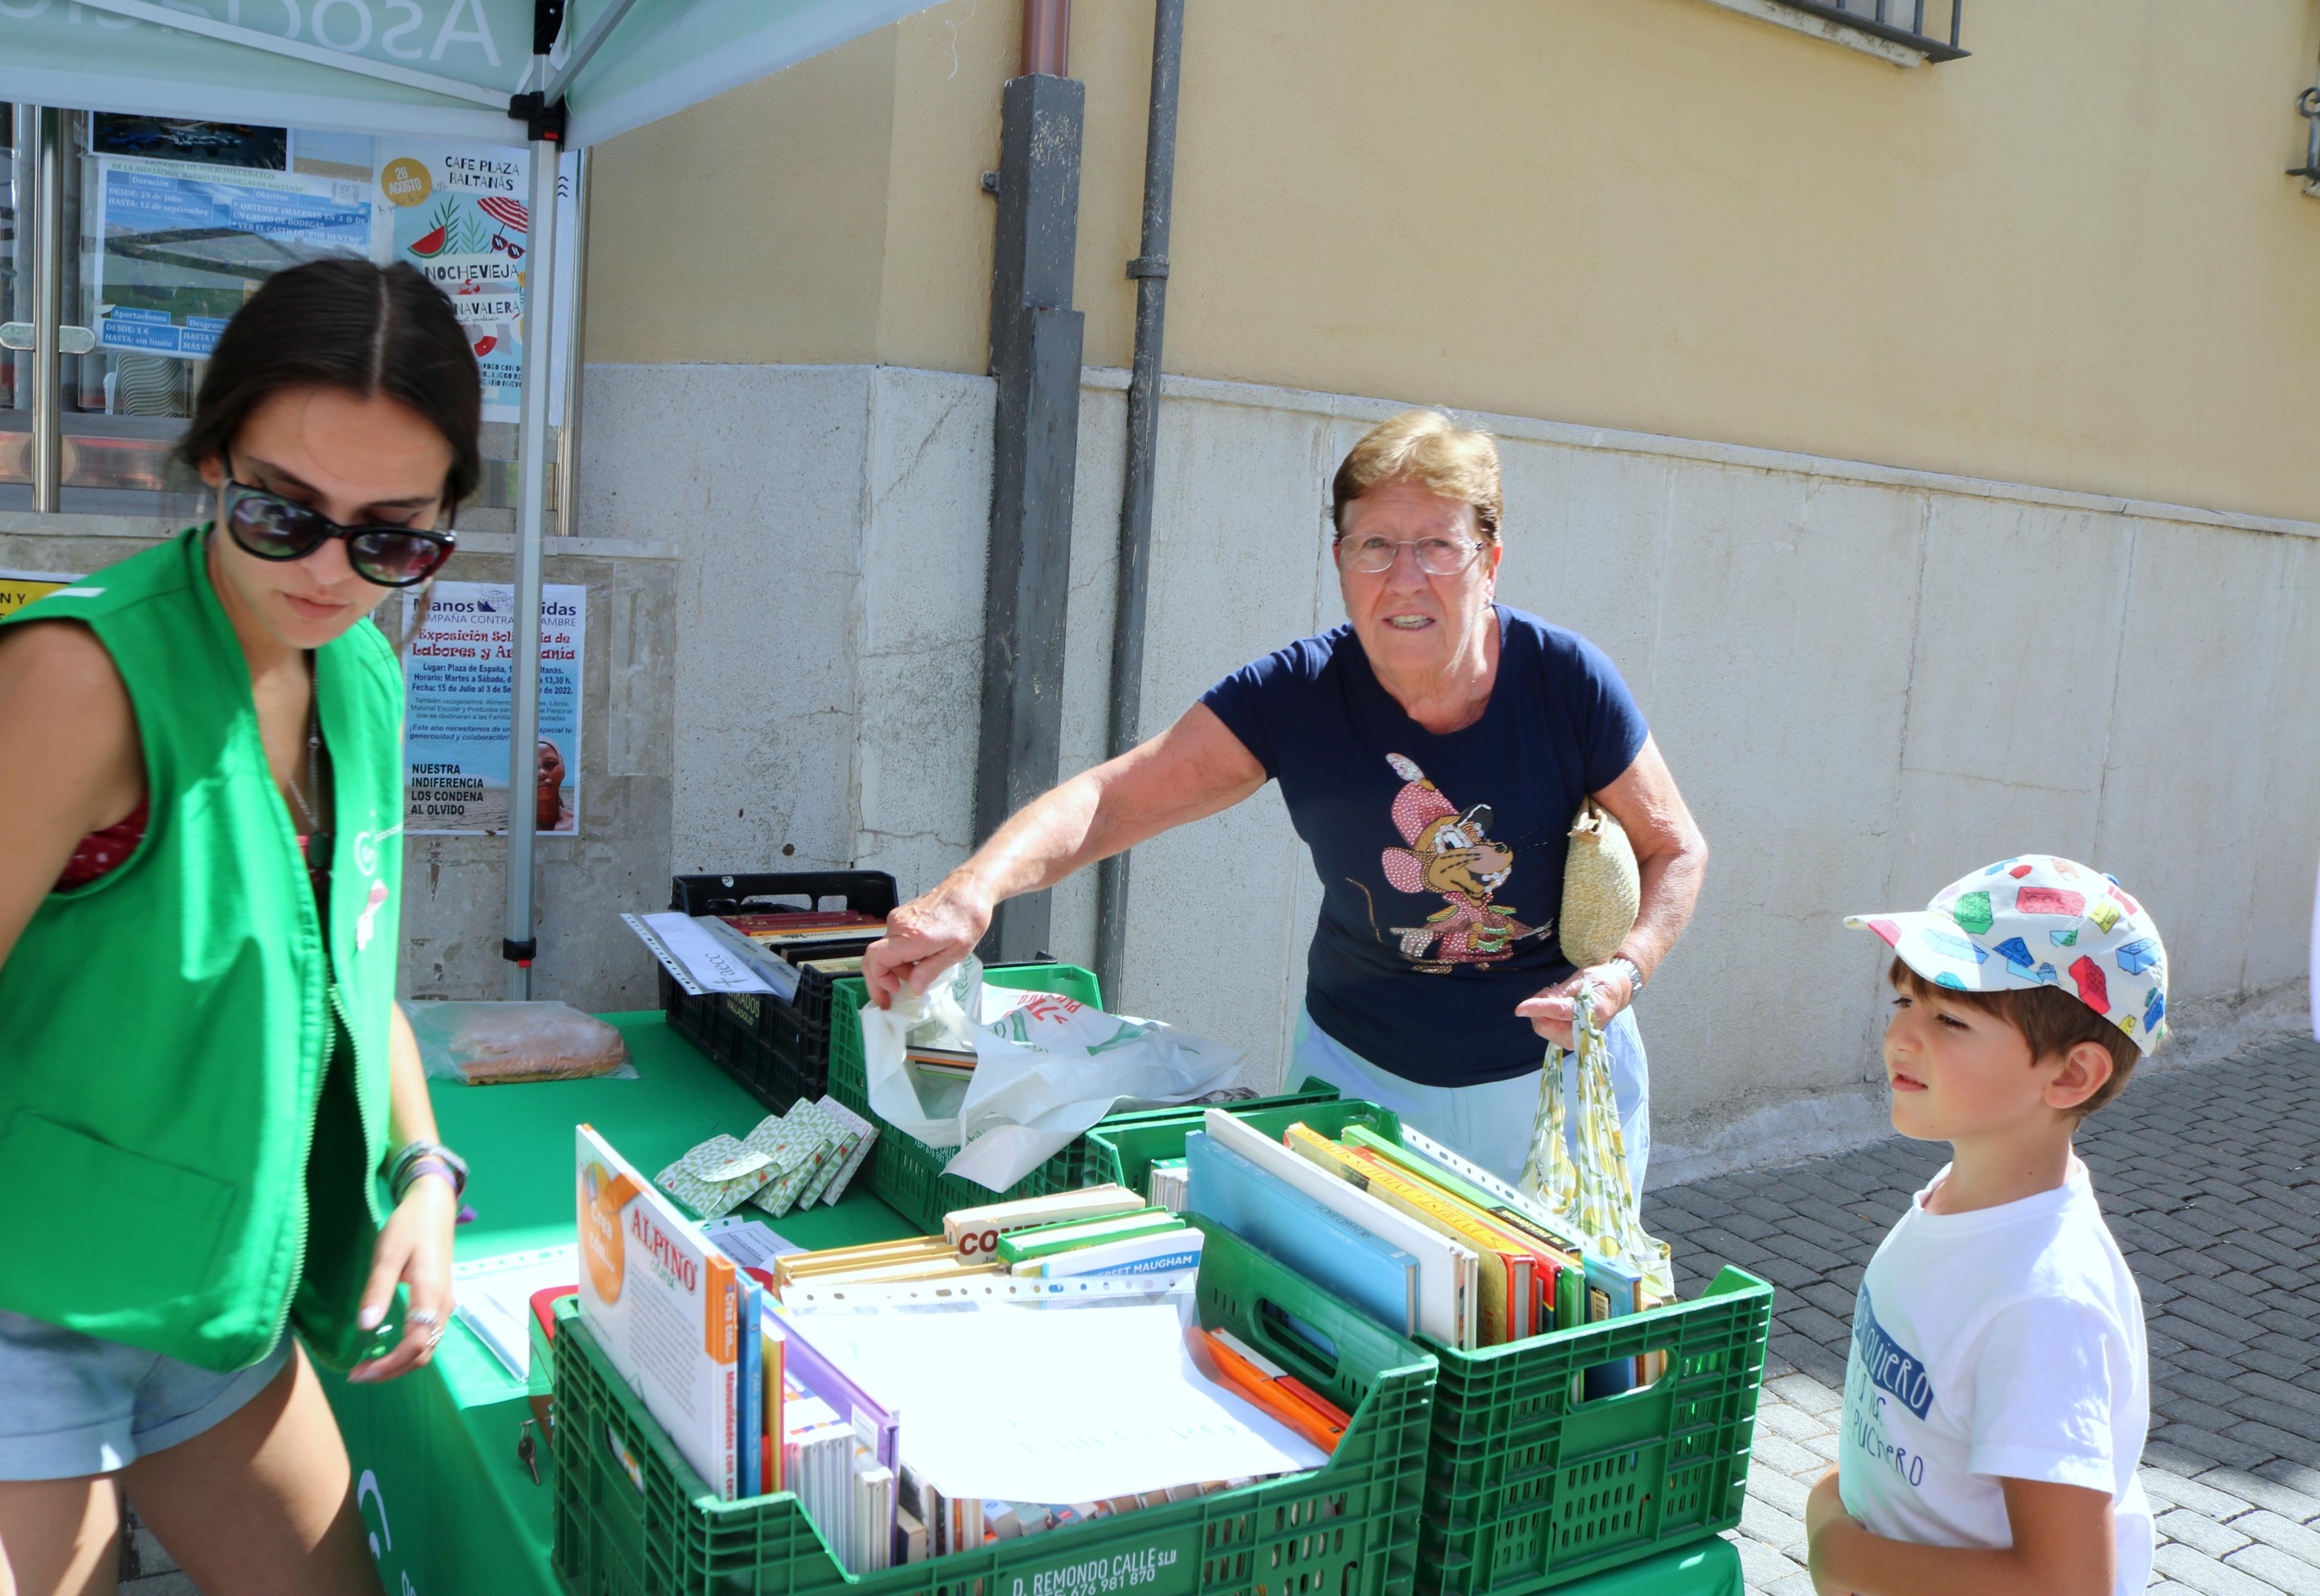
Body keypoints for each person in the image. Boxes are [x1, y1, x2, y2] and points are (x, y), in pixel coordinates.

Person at [0, 258, 474, 1596]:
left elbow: (345, 969)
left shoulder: (357, 671)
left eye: (390, 538)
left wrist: (426, 1168)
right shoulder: (73, 689)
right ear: (210, 466)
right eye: (281, 513)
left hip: (212, 1300)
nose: (329, 569)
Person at [866, 410, 1707, 1188]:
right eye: (1373, 544)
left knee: (1568, 1333)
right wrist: (967, 893)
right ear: (1339, 562)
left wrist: (1620, 972)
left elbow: (1673, 846)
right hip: (1362, 1082)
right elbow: (1111, 800)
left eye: (1436, 546)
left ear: (1487, 561)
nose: (1404, 578)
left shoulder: (1565, 680)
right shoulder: (1296, 692)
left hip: (1554, 1084)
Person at [1808, 857, 2163, 1596]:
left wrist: (1838, 1547)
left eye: (1948, 1018)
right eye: (1902, 1002)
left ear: (2070, 1075)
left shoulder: (2043, 1303)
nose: (1900, 1036)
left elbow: (2065, 1583)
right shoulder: (1958, 1197)